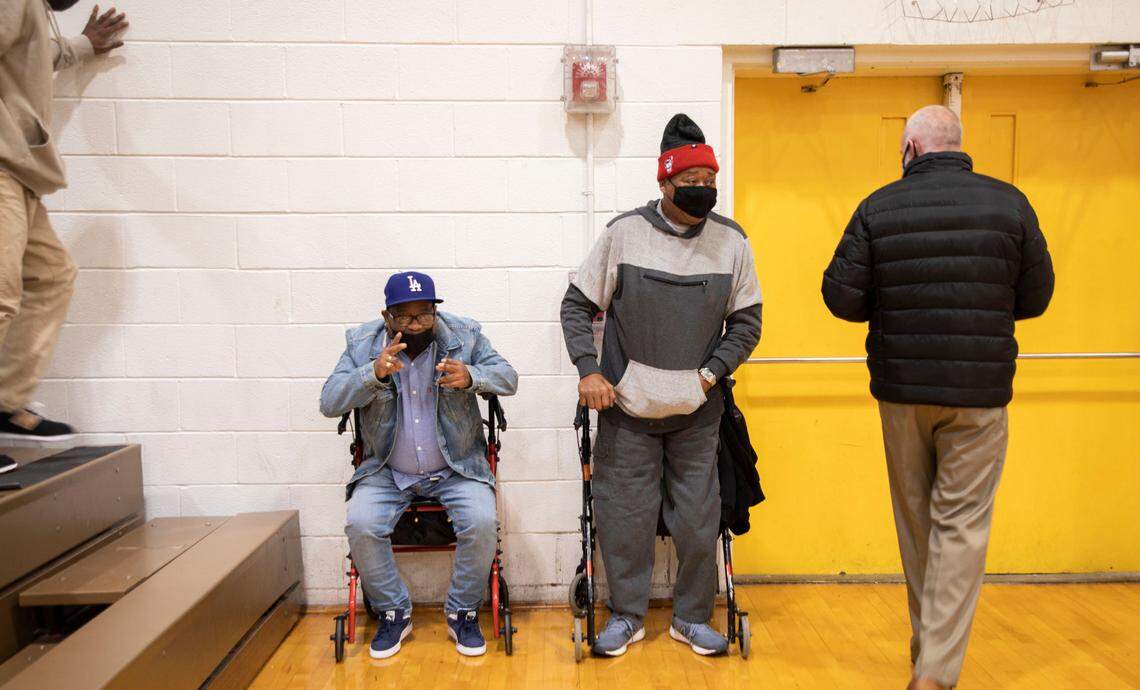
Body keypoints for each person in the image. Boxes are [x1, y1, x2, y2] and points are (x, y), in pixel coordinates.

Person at [821, 105, 1054, 690]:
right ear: (958, 146)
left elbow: (841, 298)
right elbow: (1036, 295)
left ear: (910, 150)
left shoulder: (878, 206)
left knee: (918, 527)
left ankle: (931, 663)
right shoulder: (1011, 203)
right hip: (979, 395)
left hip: (902, 391)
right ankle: (935, 669)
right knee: (961, 528)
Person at [560, 114, 762, 657]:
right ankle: (625, 616)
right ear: (663, 183)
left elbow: (747, 323)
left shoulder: (732, 241)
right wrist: (590, 369)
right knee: (624, 519)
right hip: (628, 411)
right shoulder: (624, 233)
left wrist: (709, 374)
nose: (702, 193)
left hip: (698, 412)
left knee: (699, 522)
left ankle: (692, 618)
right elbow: (577, 306)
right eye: (689, 184)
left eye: (708, 183)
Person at [319, 271, 518, 659]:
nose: (416, 323)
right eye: (405, 316)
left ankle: (462, 611)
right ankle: (394, 611)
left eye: (424, 313)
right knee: (360, 524)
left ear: (435, 310)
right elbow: (329, 402)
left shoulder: (466, 335)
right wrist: (372, 373)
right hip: (386, 471)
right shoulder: (362, 344)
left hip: (456, 467)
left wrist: (473, 376)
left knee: (481, 523)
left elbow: (508, 378)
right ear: (386, 315)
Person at [0, 2, 127, 442]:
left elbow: (30, 54)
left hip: (19, 171)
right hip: (2, 167)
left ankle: (3, 405)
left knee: (51, 276)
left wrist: (82, 46)